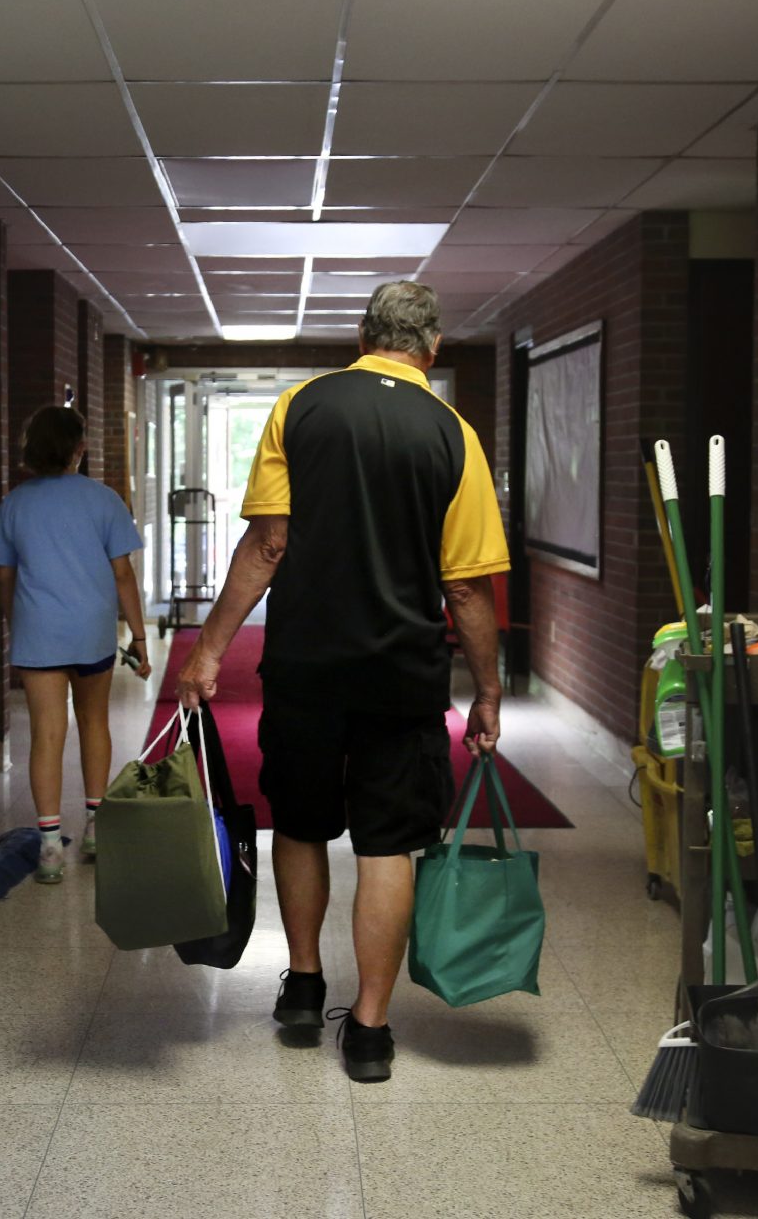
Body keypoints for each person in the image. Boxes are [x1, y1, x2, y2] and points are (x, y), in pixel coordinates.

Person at [176, 281, 509, 1083]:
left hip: (305, 665)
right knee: (390, 843)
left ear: (360, 334)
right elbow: (464, 588)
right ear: (431, 347)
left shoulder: (302, 405)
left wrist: (210, 648)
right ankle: (368, 1028)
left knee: (299, 822)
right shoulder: (454, 433)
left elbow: (267, 545)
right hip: (402, 674)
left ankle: (301, 984)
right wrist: (489, 691)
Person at [0, 405, 151, 884]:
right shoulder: (103, 500)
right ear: (81, 448)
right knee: (94, 723)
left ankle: (51, 845)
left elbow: (2, 574)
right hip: (91, 630)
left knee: (46, 734)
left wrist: (15, 615)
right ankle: (95, 826)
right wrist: (138, 637)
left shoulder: (15, 503)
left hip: (39, 632)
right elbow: (123, 575)